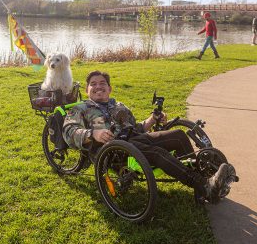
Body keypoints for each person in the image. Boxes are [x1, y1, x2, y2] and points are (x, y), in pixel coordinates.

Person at [63, 70, 236, 205]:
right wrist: (93, 134)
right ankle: (205, 186)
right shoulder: (80, 108)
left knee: (178, 135)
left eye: (102, 83)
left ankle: (202, 186)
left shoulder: (118, 105)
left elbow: (137, 127)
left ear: (109, 89)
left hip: (135, 139)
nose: (98, 86)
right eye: (93, 84)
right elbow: (69, 132)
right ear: (87, 91)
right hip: (112, 151)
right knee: (156, 152)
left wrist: (153, 119)